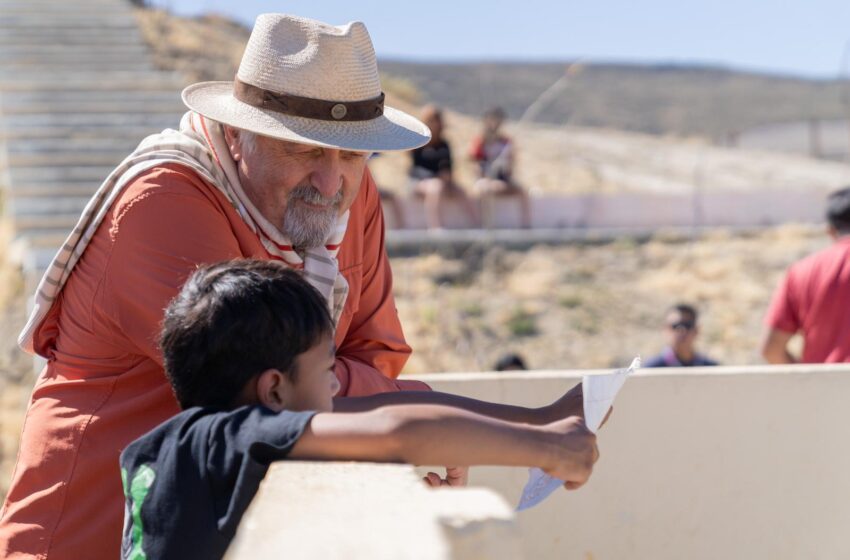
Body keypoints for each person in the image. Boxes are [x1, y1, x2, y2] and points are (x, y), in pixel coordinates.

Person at [0, 14, 480, 558]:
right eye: (304, 149)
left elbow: (376, 353)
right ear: (238, 134)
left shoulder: (353, 194)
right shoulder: (163, 201)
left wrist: (381, 434)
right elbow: (263, 393)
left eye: (351, 153)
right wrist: (411, 416)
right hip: (97, 530)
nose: (331, 182)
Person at [120, 259, 599, 559]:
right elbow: (395, 429)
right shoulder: (225, 438)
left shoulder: (172, 452)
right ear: (273, 392)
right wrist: (549, 446)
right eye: (327, 369)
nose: (336, 385)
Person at [761, 187, 850, 363]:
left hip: (824, 386)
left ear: (830, 231)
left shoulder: (801, 271)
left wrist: (808, 379)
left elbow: (771, 349)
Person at [409, 105, 479, 229]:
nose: (433, 124)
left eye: (435, 121)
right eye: (430, 120)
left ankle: (477, 226)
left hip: (442, 181)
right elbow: (415, 169)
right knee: (435, 187)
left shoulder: (444, 144)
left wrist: (446, 177)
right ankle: (436, 227)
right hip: (420, 182)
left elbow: (448, 165)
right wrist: (434, 177)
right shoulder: (418, 143)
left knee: (461, 191)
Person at [469, 107, 531, 228]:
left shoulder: (506, 142)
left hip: (502, 179)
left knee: (522, 191)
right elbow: (476, 164)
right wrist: (488, 179)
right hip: (485, 180)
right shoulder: (480, 141)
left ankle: (525, 227)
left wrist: (508, 169)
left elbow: (510, 166)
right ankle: (486, 227)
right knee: (485, 190)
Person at [644, 304, 718, 368]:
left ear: (696, 330)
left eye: (687, 325)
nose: (681, 330)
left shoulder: (711, 368)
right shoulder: (651, 369)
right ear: (665, 329)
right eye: (675, 326)